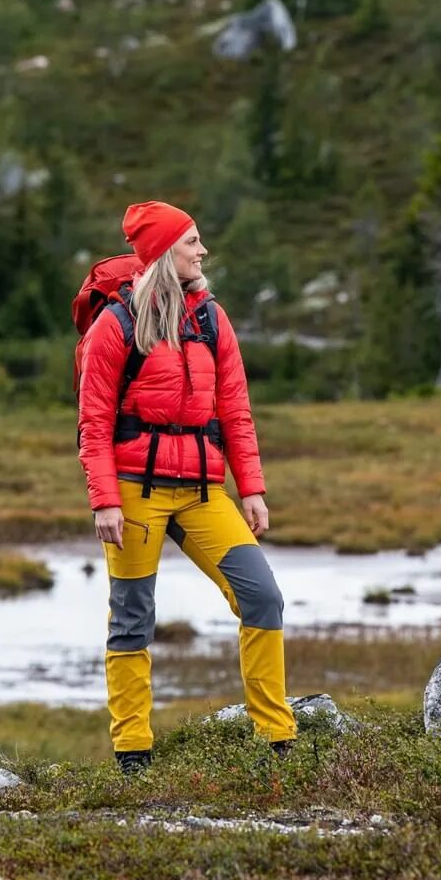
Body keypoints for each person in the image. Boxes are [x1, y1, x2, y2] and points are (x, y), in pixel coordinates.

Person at [77, 199, 298, 774]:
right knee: (132, 619)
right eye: (192, 242)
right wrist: (104, 499)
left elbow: (237, 410)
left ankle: (276, 741)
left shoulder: (211, 318)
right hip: (134, 493)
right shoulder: (115, 325)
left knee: (262, 598)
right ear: (163, 254)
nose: (203, 251)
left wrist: (251, 488)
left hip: (204, 491)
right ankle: (132, 754)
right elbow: (94, 423)